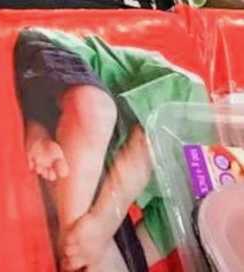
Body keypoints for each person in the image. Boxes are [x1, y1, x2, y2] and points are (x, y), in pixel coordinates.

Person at [14, 28, 208, 271]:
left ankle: (39, 132)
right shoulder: (192, 98)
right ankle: (71, 241)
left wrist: (105, 253)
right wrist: (100, 225)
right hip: (59, 66)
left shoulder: (196, 200)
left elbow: (140, 253)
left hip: (81, 156)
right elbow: (142, 147)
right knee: (97, 111)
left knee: (109, 256)